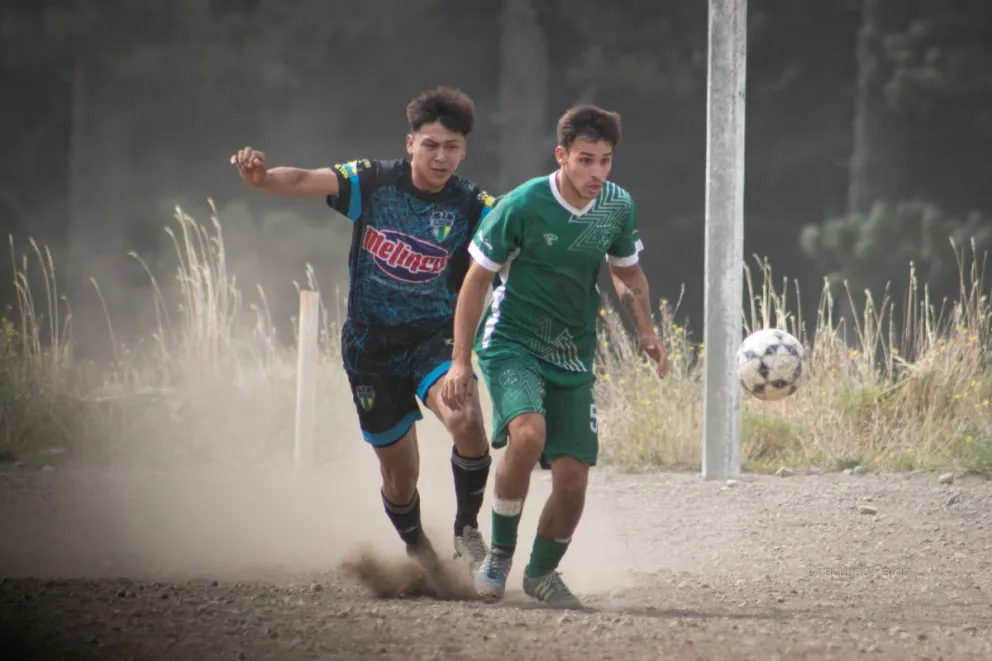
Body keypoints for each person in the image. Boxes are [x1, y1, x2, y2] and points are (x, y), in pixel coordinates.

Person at [230, 87, 495, 576]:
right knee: (399, 477)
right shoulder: (375, 182)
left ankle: (467, 529)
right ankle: (419, 550)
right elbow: (307, 179)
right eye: (431, 144)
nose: (441, 157)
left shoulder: (473, 205)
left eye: (452, 147)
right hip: (370, 349)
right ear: (411, 142)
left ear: (464, 150)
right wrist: (264, 179)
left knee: (469, 422)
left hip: (431, 341)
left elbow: (521, 238)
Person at [441, 104, 669, 609]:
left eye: (605, 161)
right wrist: (460, 360)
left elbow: (627, 273)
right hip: (512, 342)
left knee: (573, 479)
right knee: (527, 434)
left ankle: (541, 574)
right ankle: (499, 553)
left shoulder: (616, 206)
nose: (596, 173)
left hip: (572, 352)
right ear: (562, 155)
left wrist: (647, 332)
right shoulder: (521, 205)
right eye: (585, 160)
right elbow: (475, 280)